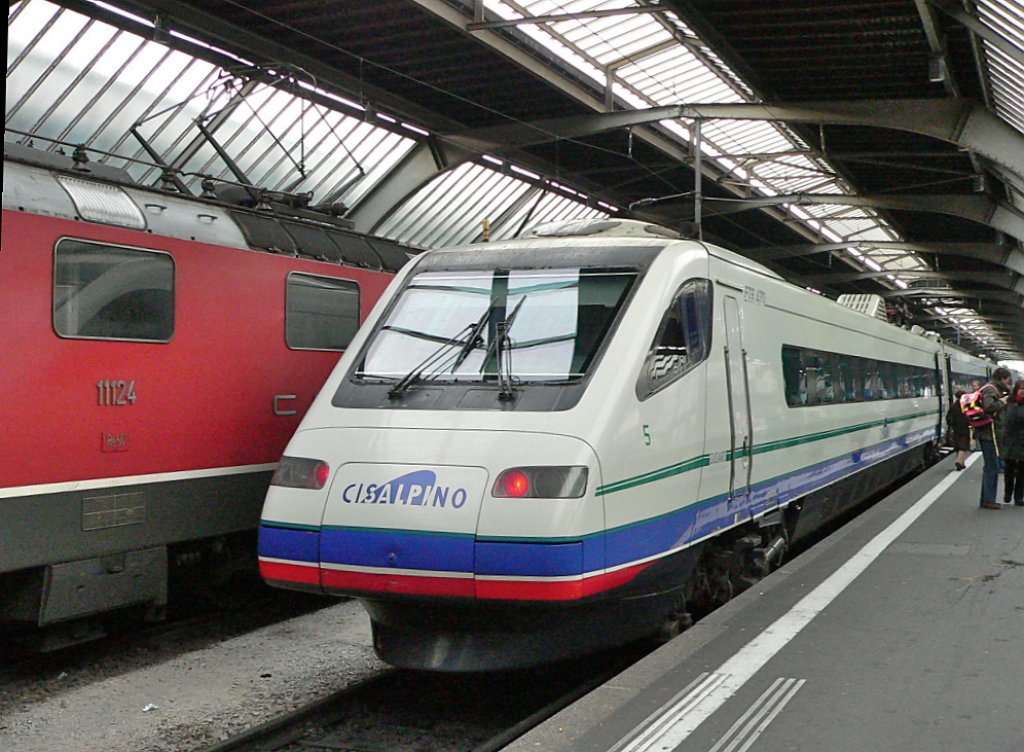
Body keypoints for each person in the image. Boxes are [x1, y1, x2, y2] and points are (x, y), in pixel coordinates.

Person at [976, 367, 1013, 510]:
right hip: (988, 434)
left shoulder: (991, 388)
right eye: (1008, 380)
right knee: (992, 467)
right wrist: (1003, 401)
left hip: (990, 434)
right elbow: (989, 407)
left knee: (992, 466)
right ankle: (988, 500)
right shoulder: (991, 389)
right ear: (1003, 378)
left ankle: (987, 498)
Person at [1001, 379, 1024, 506]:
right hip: (1009, 440)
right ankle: (1007, 493)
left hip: (1022, 441)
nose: (1023, 391)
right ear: (1016, 389)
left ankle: (1019, 496)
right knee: (1009, 469)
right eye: (1021, 388)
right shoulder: (1008, 403)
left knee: (1022, 471)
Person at [946, 389, 972, 470]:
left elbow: (948, 418)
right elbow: (969, 415)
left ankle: (962, 463)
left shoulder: (953, 406)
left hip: (956, 428)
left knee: (958, 445)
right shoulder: (965, 405)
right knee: (963, 446)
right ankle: (959, 462)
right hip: (964, 428)